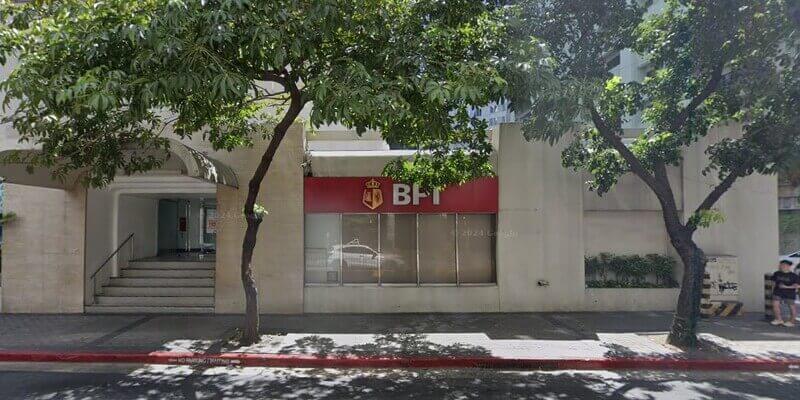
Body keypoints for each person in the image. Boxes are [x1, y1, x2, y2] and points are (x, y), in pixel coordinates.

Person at [771, 259, 800, 327]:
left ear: (789, 266)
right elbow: (773, 281)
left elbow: (797, 286)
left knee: (792, 307)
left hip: (789, 294)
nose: (783, 266)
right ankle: (779, 319)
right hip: (777, 292)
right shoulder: (777, 273)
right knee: (775, 305)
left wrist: (786, 287)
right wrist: (773, 288)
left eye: (785, 265)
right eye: (782, 265)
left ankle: (791, 321)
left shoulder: (794, 276)